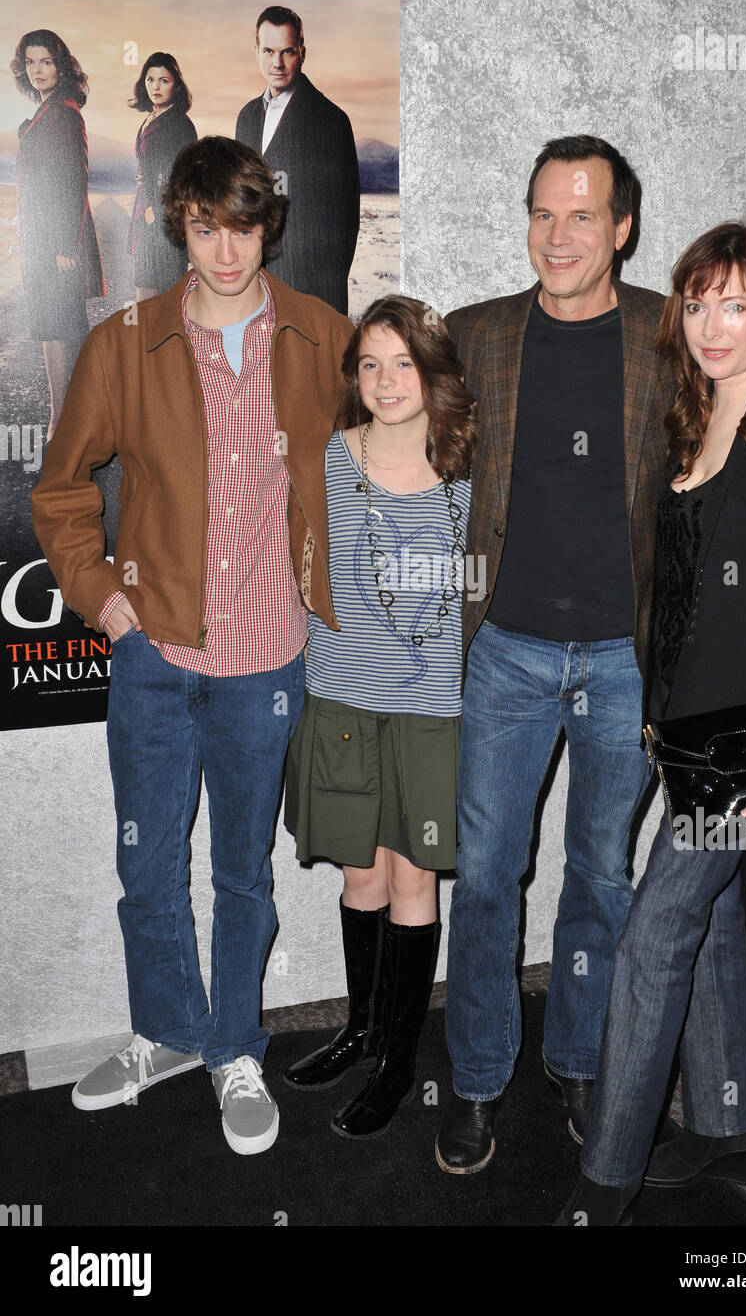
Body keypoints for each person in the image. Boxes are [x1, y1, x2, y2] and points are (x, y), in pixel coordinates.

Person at [31, 136, 353, 1156]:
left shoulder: (322, 338)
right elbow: (60, 487)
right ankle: (164, 1031)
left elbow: (388, 460)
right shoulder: (123, 343)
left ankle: (234, 1048)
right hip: (155, 655)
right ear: (181, 225)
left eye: (245, 225)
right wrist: (105, 603)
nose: (226, 249)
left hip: (268, 661)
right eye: (207, 227)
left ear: (269, 224)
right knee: (147, 867)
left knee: (243, 874)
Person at [556, 222, 746, 1225]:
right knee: (717, 919)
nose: (711, 325)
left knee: (657, 932)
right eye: (696, 302)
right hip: (684, 727)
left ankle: (607, 1181)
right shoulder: (695, 414)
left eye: (736, 303)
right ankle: (733, 1118)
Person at [435, 135, 675, 1174]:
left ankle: (579, 1061)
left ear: (622, 225)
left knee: (600, 877)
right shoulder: (474, 335)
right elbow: (410, 463)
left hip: (627, 657)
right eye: (544, 212)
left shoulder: (673, 334)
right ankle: (479, 1076)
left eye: (583, 215)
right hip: (507, 653)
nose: (559, 235)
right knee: (485, 875)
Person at [283, 295, 474, 1138]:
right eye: (371, 363)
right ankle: (360, 1030)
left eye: (404, 363)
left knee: (411, 880)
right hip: (339, 698)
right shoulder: (327, 456)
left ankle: (398, 1061)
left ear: (433, 372)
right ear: (353, 376)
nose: (387, 380)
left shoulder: (466, 470)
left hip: (428, 710)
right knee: (360, 874)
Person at [235, 5, 360, 314]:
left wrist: (325, 301)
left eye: (286, 51)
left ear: (302, 51)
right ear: (256, 52)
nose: (276, 63)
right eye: (267, 51)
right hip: (252, 287)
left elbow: (346, 222)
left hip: (311, 290)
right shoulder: (246, 117)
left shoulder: (332, 121)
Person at [11, 28, 104, 437]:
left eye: (46, 61)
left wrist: (66, 244)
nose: (37, 70)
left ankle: (65, 418)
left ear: (61, 65)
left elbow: (73, 178)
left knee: (61, 325)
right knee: (57, 325)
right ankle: (69, 415)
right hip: (41, 237)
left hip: (56, 241)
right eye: (30, 62)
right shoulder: (48, 111)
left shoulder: (64, 113)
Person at [127, 52, 197, 300]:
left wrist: (156, 212)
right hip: (147, 213)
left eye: (164, 80)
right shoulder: (151, 117)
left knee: (167, 298)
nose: (155, 86)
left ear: (176, 84)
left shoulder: (180, 123)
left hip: (166, 217)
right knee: (145, 291)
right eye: (150, 79)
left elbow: (185, 176)